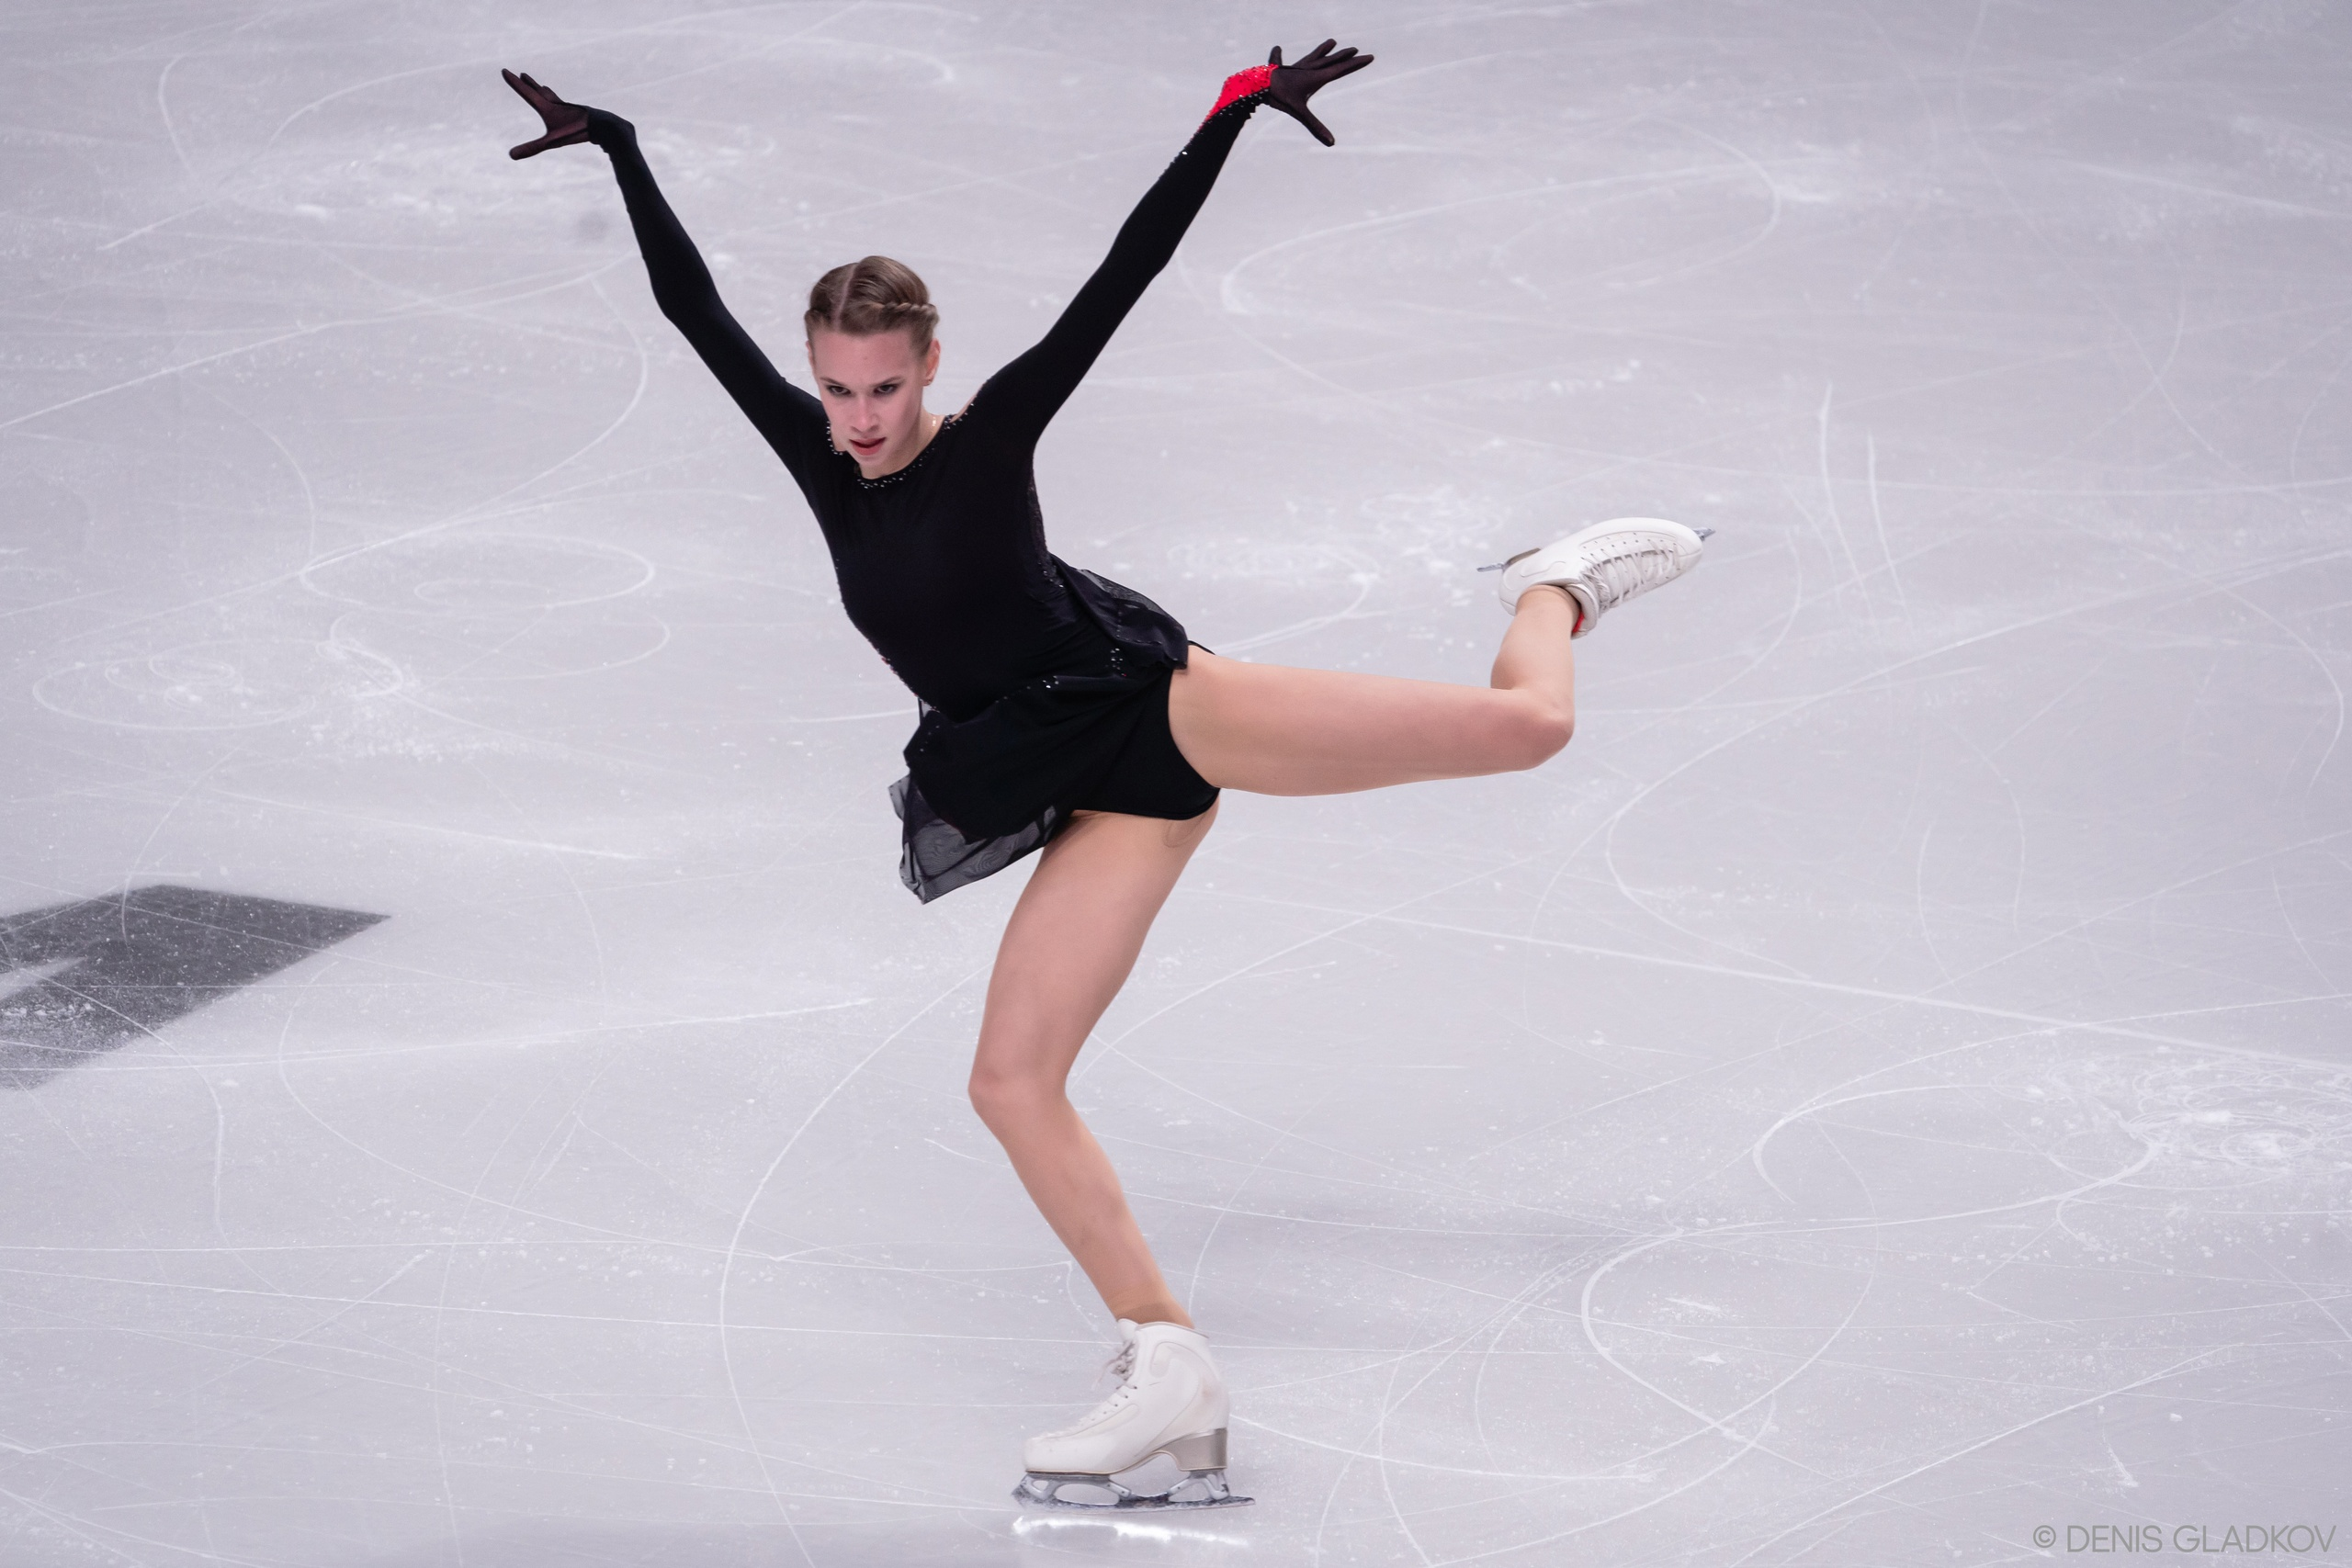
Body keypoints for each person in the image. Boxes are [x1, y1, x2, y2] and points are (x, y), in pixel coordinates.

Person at [502, 46, 1706, 1510]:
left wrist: (1229, 114)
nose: (858, 418)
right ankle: (1171, 1365)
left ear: (929, 366)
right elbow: (690, 309)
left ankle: (1555, 585)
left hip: (1163, 718)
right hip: (1078, 786)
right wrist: (620, 145)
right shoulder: (822, 460)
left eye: (884, 386)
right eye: (835, 388)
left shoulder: (989, 438)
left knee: (1527, 730)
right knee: (1010, 1080)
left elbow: (1122, 277)